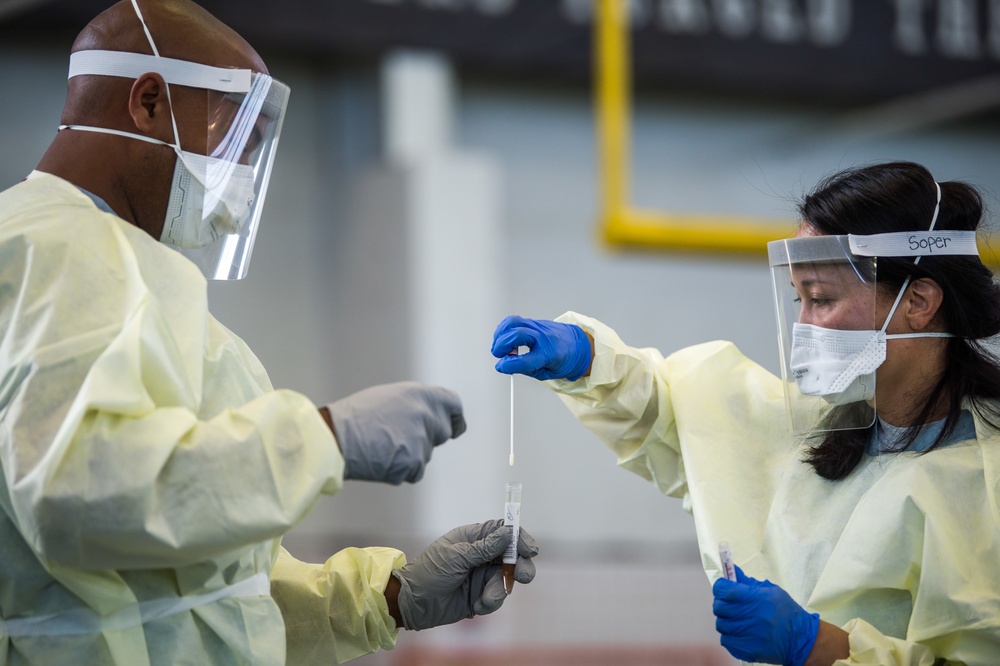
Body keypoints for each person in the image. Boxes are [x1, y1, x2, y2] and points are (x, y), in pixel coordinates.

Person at [0, 1, 537, 664]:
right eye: (233, 138)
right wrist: (323, 437)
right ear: (147, 102)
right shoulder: (57, 248)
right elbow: (78, 499)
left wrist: (389, 596)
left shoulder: (126, 273)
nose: (241, 178)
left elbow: (205, 590)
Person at [491, 161, 1000, 665]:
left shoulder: (982, 484)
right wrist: (590, 360)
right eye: (797, 298)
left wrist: (819, 647)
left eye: (821, 299)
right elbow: (685, 425)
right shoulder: (824, 429)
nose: (803, 325)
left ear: (919, 301)